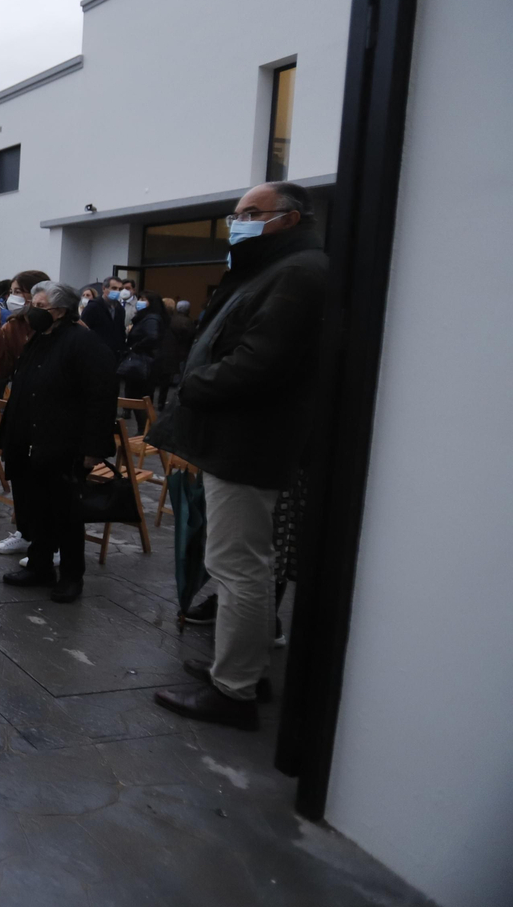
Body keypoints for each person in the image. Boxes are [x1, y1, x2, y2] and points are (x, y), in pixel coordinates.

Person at [151, 182, 327, 730]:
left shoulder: (300, 272)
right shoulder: (272, 268)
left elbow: (262, 360)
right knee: (240, 563)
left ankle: (235, 691)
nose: (240, 221)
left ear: (291, 219)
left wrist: (195, 385)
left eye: (253, 213)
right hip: (240, 440)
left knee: (239, 567)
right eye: (238, 213)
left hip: (249, 443)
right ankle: (243, 668)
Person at [0, 281, 117, 603]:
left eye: (40, 306)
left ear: (60, 311)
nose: (32, 311)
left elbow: (101, 398)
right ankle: (39, 565)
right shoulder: (39, 339)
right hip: (29, 441)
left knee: (65, 513)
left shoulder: (83, 343)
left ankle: (72, 576)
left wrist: (93, 449)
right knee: (35, 509)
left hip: (62, 444)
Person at [0, 270, 51, 556]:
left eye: (19, 291)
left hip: (48, 410)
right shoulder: (15, 324)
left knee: (46, 476)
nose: (13, 297)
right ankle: (25, 531)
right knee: (18, 468)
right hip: (21, 405)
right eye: (13, 292)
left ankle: (51, 539)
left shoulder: (59, 325)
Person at [119, 289, 168, 430]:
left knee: (140, 399)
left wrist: (135, 347)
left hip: (144, 363)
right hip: (147, 362)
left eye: (143, 299)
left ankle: (143, 431)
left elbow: (152, 337)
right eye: (139, 298)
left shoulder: (151, 318)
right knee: (140, 398)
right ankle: (143, 429)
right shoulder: (147, 317)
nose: (139, 302)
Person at [156, 299, 196, 410]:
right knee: (176, 379)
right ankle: (169, 402)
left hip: (166, 353)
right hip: (180, 353)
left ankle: (159, 402)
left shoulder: (169, 321)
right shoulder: (188, 322)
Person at [79, 283, 127, 358]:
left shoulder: (119, 309)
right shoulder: (93, 307)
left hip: (115, 354)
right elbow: (83, 329)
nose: (117, 291)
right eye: (114, 288)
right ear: (104, 288)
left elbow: (121, 330)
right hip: (96, 353)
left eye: (120, 289)